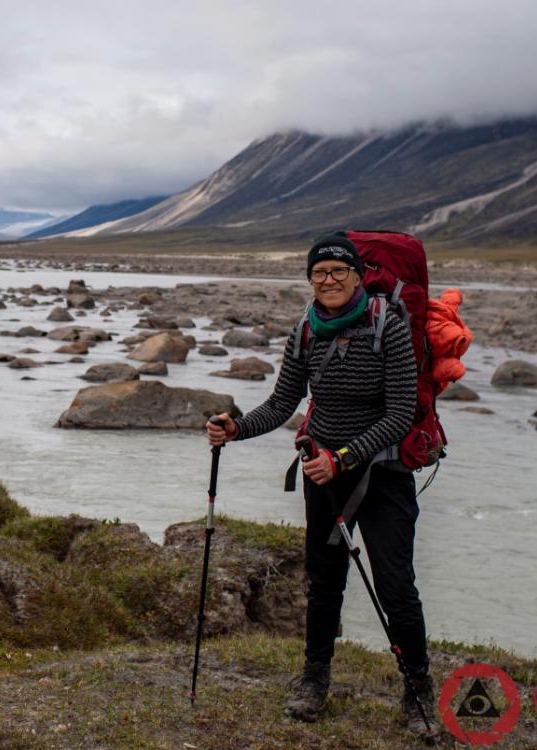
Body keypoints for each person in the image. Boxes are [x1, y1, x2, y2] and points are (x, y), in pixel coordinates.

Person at [205, 233, 435, 735]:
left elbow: (400, 414)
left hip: (382, 474)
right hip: (322, 471)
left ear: (357, 276)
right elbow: (282, 403)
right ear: (309, 280)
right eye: (319, 273)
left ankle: (418, 690)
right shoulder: (305, 331)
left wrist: (346, 456)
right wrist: (237, 428)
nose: (328, 280)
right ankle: (314, 680)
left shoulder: (389, 328)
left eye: (338, 271)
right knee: (324, 579)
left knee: (395, 584)